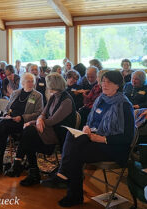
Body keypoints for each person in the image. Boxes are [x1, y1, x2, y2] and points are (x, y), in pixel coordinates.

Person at [46, 71, 134, 207]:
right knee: (72, 135)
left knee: (76, 152)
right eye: (103, 81)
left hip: (114, 147)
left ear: (117, 85)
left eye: (109, 82)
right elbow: (91, 121)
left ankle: (69, 186)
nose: (104, 84)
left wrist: (102, 139)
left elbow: (127, 138)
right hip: (94, 138)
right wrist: (87, 127)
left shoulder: (124, 105)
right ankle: (66, 180)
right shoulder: (101, 99)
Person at [5, 73, 76, 182]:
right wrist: (38, 120)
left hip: (59, 133)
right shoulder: (54, 96)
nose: (46, 86)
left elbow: (52, 121)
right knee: (29, 134)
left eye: (48, 84)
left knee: (29, 133)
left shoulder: (66, 100)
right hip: (49, 129)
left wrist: (33, 122)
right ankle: (27, 168)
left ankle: (25, 167)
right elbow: (43, 113)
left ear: (53, 85)